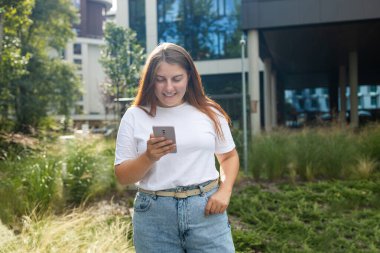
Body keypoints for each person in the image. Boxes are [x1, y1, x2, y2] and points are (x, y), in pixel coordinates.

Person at [114, 42, 239, 252]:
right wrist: (148, 157)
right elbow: (122, 177)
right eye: (160, 80)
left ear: (189, 76)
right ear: (150, 81)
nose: (169, 88)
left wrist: (225, 191)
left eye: (176, 79)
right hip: (154, 216)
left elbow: (228, 157)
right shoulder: (135, 116)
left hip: (206, 210)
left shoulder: (209, 112)